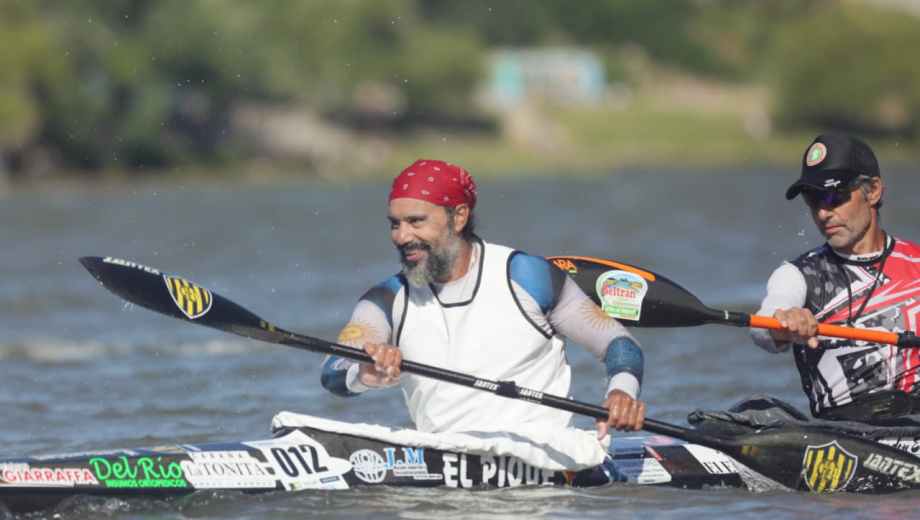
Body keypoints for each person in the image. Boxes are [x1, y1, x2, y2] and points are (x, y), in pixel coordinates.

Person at [321, 159, 646, 439]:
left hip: (546, 465)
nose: (402, 237)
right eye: (395, 224)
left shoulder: (528, 277)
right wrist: (364, 375)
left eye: (416, 221)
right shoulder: (386, 299)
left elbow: (618, 343)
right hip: (445, 464)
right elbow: (333, 369)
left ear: (458, 217)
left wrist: (622, 392)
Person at [751, 133, 920, 422]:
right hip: (842, 438)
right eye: (813, 199)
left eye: (834, 196)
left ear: (873, 191)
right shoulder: (798, 275)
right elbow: (762, 326)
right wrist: (783, 323)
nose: (822, 213)